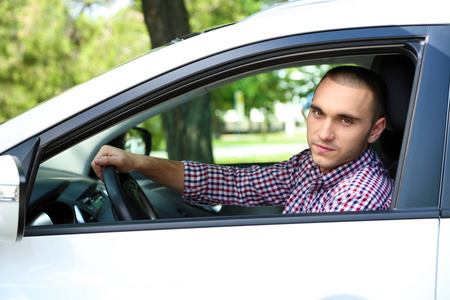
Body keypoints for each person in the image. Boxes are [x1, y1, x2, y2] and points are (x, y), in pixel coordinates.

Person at [91, 66, 394, 213]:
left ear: (375, 130)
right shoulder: (310, 165)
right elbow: (236, 183)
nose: (324, 133)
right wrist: (137, 162)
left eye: (345, 120)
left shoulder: (359, 195)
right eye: (318, 113)